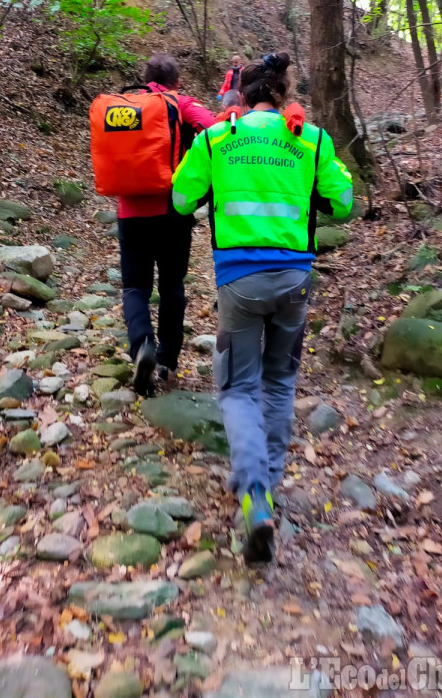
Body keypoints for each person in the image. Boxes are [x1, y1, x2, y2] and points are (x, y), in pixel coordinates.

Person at [171, 52, 353, 564]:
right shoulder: (310, 139)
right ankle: (267, 486)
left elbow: (182, 200)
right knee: (279, 384)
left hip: (238, 283)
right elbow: (343, 203)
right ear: (283, 94)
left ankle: (255, 494)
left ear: (240, 96)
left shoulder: (217, 139)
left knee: (236, 388)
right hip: (295, 280)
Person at [118, 53, 215, 397]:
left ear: (145, 77)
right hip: (173, 210)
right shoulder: (182, 102)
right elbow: (216, 129)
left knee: (134, 289)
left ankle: (141, 343)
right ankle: (167, 363)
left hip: (130, 211)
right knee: (172, 285)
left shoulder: (125, 104)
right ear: (176, 81)